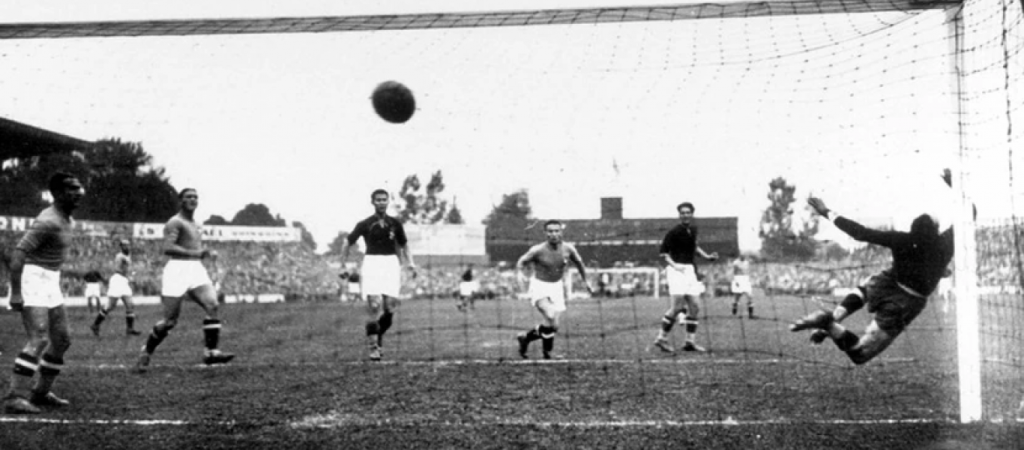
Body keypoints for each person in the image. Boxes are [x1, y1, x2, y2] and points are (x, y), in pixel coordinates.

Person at [792, 174, 957, 365]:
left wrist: (826, 212)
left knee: (865, 288)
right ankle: (828, 324)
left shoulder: (901, 239)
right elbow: (970, 214)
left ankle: (834, 317)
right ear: (936, 230)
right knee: (860, 354)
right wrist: (955, 185)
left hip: (889, 281)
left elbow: (860, 233)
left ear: (913, 228)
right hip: (907, 301)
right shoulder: (944, 244)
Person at [3, 172, 84, 414]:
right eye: (71, 188)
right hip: (33, 277)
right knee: (39, 338)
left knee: (62, 340)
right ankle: (15, 397)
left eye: (79, 187)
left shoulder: (67, 219)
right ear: (57, 193)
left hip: (50, 279)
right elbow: (18, 255)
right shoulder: (47, 221)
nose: (78, 192)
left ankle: (40, 392)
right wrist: (16, 293)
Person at [134, 188, 234, 372]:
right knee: (169, 321)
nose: (193, 199)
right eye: (189, 197)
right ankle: (147, 350)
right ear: (181, 201)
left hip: (195, 268)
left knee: (212, 305)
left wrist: (204, 254)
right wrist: (196, 253)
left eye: (195, 197)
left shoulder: (195, 224)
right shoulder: (175, 222)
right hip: (177, 270)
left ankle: (211, 352)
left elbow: (193, 246)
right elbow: (168, 247)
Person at [339, 189, 417, 361]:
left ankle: (378, 334)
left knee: (389, 309)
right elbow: (347, 242)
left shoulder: (395, 223)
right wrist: (342, 265)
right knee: (374, 306)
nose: (381, 202)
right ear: (373, 202)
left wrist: (411, 263)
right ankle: (373, 347)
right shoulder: (365, 224)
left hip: (391, 264)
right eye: (378, 200)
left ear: (388, 202)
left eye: (384, 199)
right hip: (372, 263)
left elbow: (404, 244)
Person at [515, 220, 593, 359]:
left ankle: (525, 338)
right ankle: (547, 352)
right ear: (545, 233)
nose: (554, 234)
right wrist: (520, 275)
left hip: (557, 287)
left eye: (557, 231)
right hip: (539, 286)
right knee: (550, 315)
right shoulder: (537, 250)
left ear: (561, 232)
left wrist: (586, 281)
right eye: (550, 231)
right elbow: (521, 261)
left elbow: (579, 263)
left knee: (553, 326)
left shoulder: (568, 249)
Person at [653, 202, 718, 353]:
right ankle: (661, 338)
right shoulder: (673, 232)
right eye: (682, 213)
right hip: (676, 270)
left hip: (689, 270)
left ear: (692, 214)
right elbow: (664, 253)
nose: (685, 215)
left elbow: (694, 247)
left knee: (695, 306)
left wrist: (707, 256)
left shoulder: (693, 230)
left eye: (688, 212)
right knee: (676, 307)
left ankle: (690, 342)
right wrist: (674, 265)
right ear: (679, 215)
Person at [90, 239, 142, 336]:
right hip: (117, 280)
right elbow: (120, 268)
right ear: (121, 247)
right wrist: (130, 275)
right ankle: (95, 325)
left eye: (128, 245)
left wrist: (130, 275)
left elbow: (129, 269)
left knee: (130, 305)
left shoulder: (128, 256)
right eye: (124, 245)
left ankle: (130, 329)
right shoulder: (120, 256)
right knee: (110, 306)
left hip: (124, 281)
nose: (127, 247)